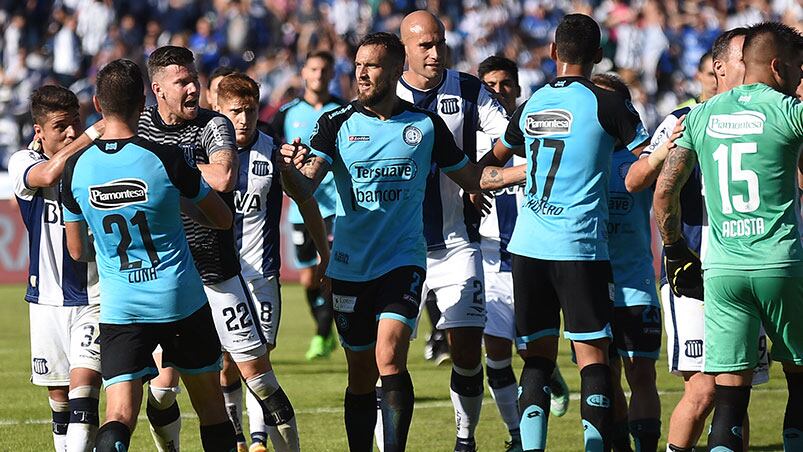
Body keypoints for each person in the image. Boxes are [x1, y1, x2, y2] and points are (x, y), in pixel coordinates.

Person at [278, 31, 525, 452]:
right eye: (357, 65)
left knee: (389, 357)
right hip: (351, 265)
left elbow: (475, 178)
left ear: (395, 70)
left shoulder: (425, 126)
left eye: (371, 65)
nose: (361, 74)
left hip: (403, 261)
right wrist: (285, 168)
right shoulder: (335, 123)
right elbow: (304, 190)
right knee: (360, 374)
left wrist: (533, 173)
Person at [479, 14, 650, 451]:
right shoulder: (609, 104)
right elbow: (644, 161)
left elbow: (492, 163)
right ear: (597, 57)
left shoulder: (532, 103)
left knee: (537, 357)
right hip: (578, 245)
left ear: (553, 52)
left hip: (528, 248)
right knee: (593, 358)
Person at [62, 58, 236, 452]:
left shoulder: (76, 168)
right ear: (143, 101)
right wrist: (174, 204)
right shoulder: (166, 158)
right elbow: (223, 219)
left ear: (96, 103)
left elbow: (77, 250)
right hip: (180, 299)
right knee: (210, 408)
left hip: (121, 307)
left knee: (119, 415)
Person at [137, 46, 299, 452]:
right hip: (166, 277)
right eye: (183, 82)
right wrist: (184, 170)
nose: (194, 88)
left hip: (218, 271)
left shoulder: (215, 125)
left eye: (194, 79)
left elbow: (223, 176)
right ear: (158, 89)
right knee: (162, 389)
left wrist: (160, 168)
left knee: (260, 377)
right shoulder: (140, 127)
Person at [655, 21, 803, 451]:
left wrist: (674, 248)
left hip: (721, 271)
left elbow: (665, 191)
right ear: (778, 67)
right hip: (779, 263)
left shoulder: (700, 114)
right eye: (797, 68)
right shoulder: (788, 112)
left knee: (730, 396)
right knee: (799, 383)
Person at [626, 29, 770, 452]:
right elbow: (636, 180)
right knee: (705, 390)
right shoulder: (681, 120)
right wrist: (661, 154)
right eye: (733, 63)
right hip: (693, 270)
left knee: (734, 393)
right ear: (715, 70)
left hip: (745, 266)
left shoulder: (767, 117)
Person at [395, 11, 511, 451]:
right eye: (424, 44)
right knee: (387, 356)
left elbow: (510, 133)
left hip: (458, 243)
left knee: (466, 351)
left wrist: (478, 175)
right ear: (405, 48)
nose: (435, 51)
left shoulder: (467, 88)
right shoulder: (387, 96)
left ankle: (465, 440)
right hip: (400, 247)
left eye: (440, 42)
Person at [216, 72, 330, 452]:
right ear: (219, 110)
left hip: (261, 276)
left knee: (259, 362)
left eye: (249, 110)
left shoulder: (274, 152)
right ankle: (236, 437)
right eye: (235, 112)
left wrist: (324, 253)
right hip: (217, 278)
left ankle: (260, 439)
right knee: (228, 364)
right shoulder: (205, 154)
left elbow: (305, 200)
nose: (244, 120)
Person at [471, 55, 568, 452]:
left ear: (518, 88)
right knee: (495, 351)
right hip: (490, 257)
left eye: (505, 84)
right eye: (489, 85)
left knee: (530, 352)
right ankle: (516, 436)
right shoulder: (474, 142)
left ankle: (550, 377)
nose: (498, 91)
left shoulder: (539, 132)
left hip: (533, 255)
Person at [8, 85, 104, 452]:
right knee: (60, 401)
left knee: (84, 394)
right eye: (61, 126)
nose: (70, 132)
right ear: (39, 131)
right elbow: (47, 176)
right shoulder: (22, 162)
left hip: (93, 295)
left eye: (75, 123)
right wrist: (91, 134)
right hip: (46, 299)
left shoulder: (93, 161)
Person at [591, 73, 662, 452]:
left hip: (636, 282)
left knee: (642, 373)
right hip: (591, 283)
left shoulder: (643, 158)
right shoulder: (584, 153)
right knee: (605, 375)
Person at [271, 50, 345, 361]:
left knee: (332, 269)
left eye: (325, 69)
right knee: (307, 277)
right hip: (302, 205)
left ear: (331, 74)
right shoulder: (287, 113)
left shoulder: (342, 111)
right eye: (313, 68)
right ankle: (325, 331)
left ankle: (322, 332)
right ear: (304, 72)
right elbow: (274, 151)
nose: (319, 75)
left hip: (336, 205)